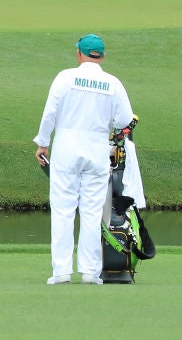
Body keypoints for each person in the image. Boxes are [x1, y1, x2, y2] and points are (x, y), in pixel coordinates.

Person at [34, 34, 134, 285]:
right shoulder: (113, 83)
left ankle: (61, 271)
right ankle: (90, 272)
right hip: (96, 150)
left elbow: (50, 113)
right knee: (91, 211)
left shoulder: (65, 77)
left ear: (79, 54)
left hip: (66, 149)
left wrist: (42, 142)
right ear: (102, 56)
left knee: (63, 209)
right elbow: (124, 121)